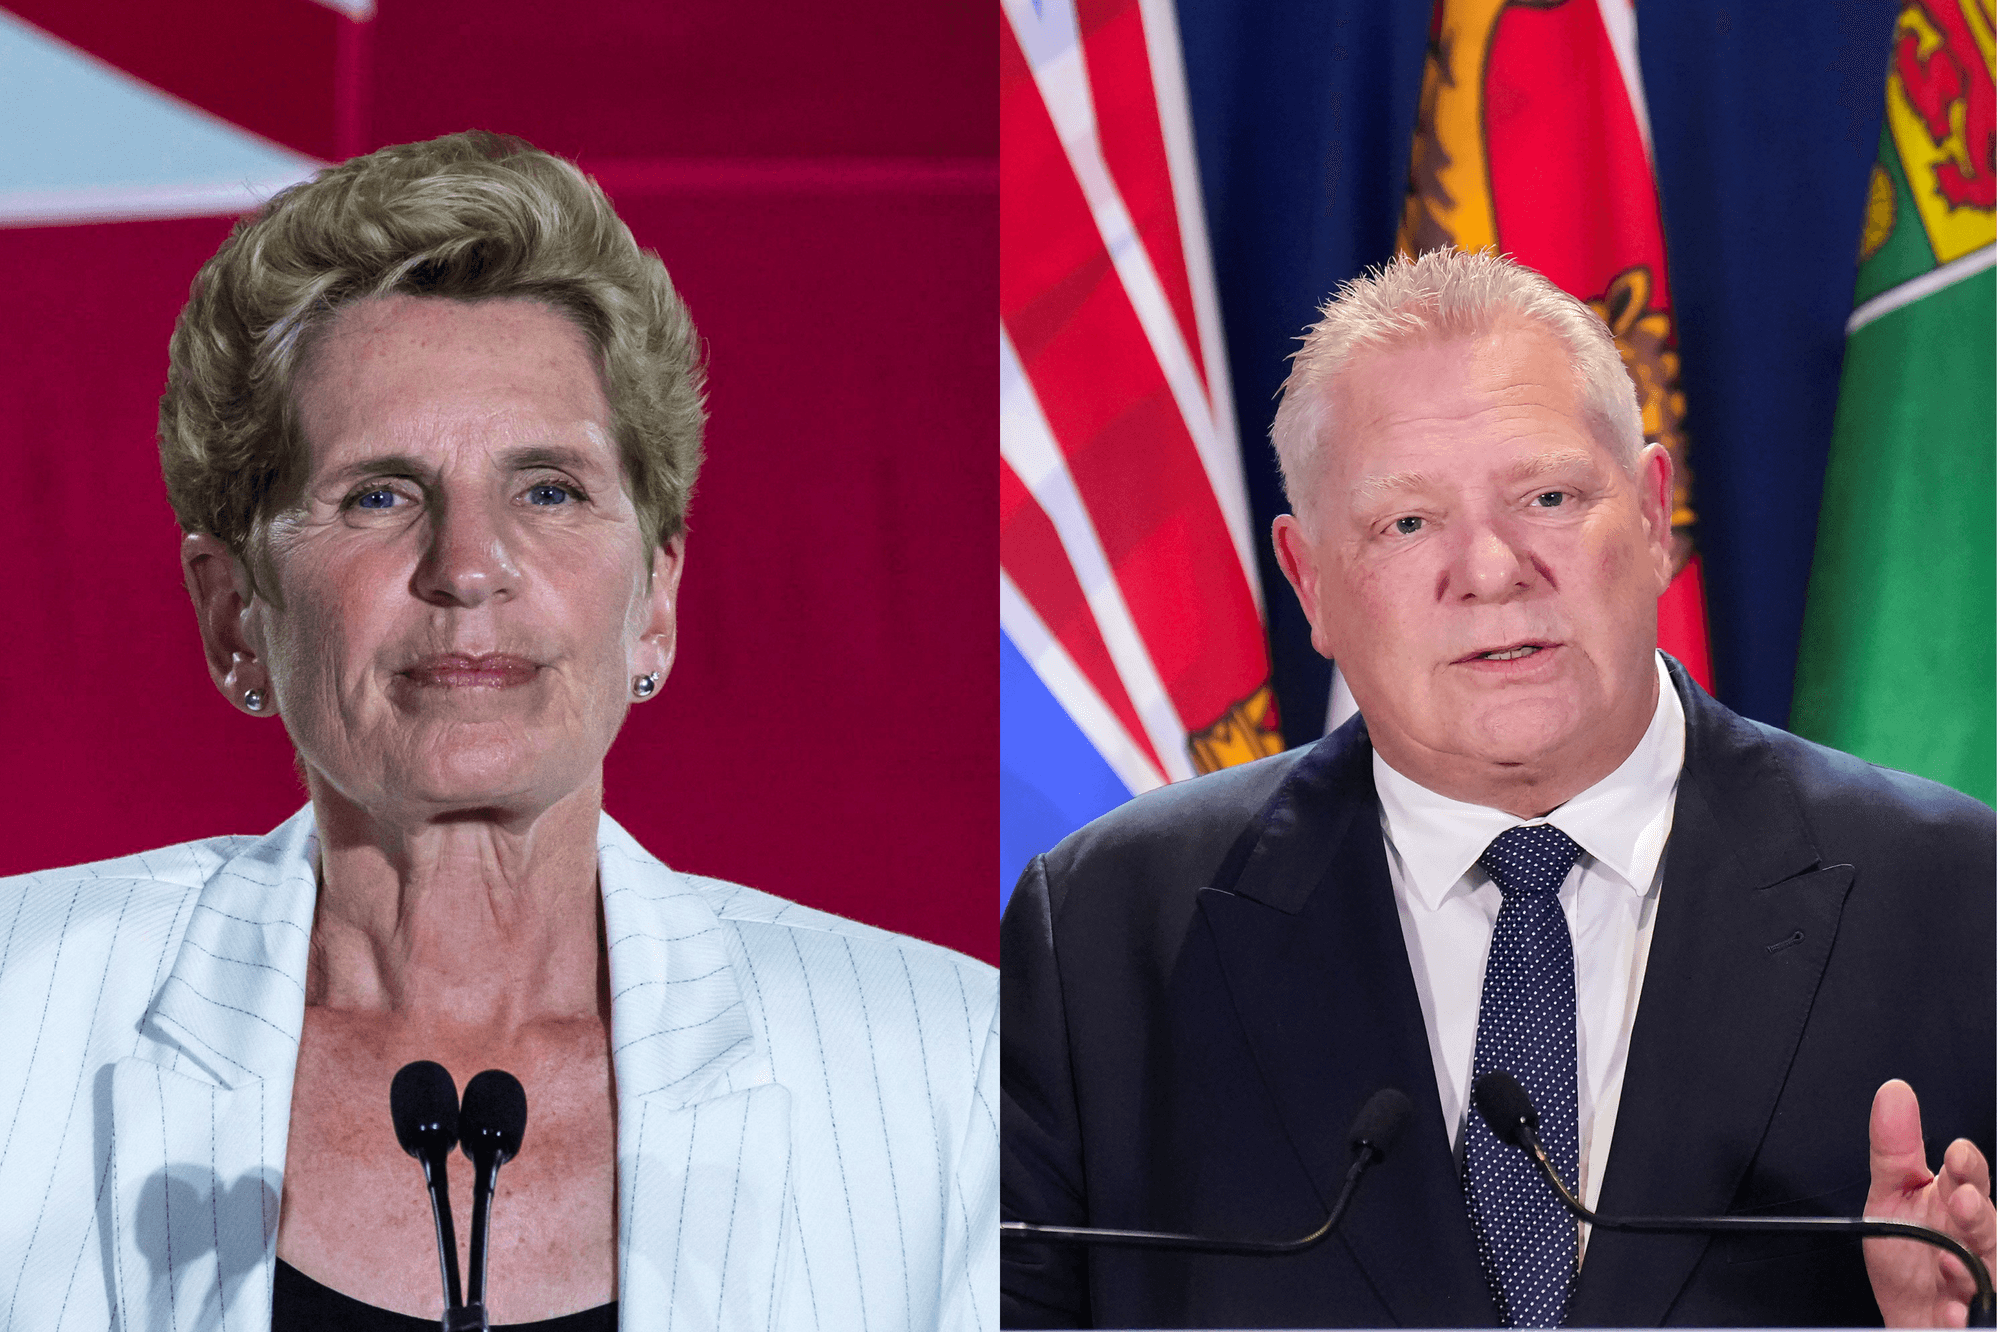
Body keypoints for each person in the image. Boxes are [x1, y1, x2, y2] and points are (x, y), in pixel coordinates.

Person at [0, 132, 997, 1331]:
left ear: (655, 601)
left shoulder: (947, 1068)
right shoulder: (22, 1016)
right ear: (236, 612)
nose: (469, 567)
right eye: (379, 494)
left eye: (549, 491)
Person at [1000, 248, 1994, 1328]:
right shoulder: (1104, 931)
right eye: (1406, 523)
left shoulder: (1953, 896)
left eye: (1547, 496)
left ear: (1653, 515)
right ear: (1309, 582)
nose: (1489, 570)